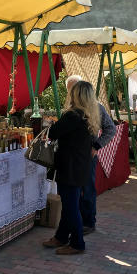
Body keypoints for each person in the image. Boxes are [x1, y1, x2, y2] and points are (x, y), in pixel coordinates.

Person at [42, 81, 100, 254]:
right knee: (70, 204)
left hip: (70, 166)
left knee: (70, 205)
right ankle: (61, 236)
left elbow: (52, 134)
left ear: (76, 95)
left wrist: (50, 124)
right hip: (80, 165)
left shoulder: (73, 115)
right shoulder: (88, 115)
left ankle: (77, 243)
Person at [64, 75, 116, 235]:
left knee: (87, 190)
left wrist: (96, 146)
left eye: (76, 89)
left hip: (87, 155)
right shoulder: (70, 109)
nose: (74, 93)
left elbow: (110, 129)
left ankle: (88, 222)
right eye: (71, 90)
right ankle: (77, 220)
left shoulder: (97, 107)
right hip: (73, 156)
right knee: (74, 191)